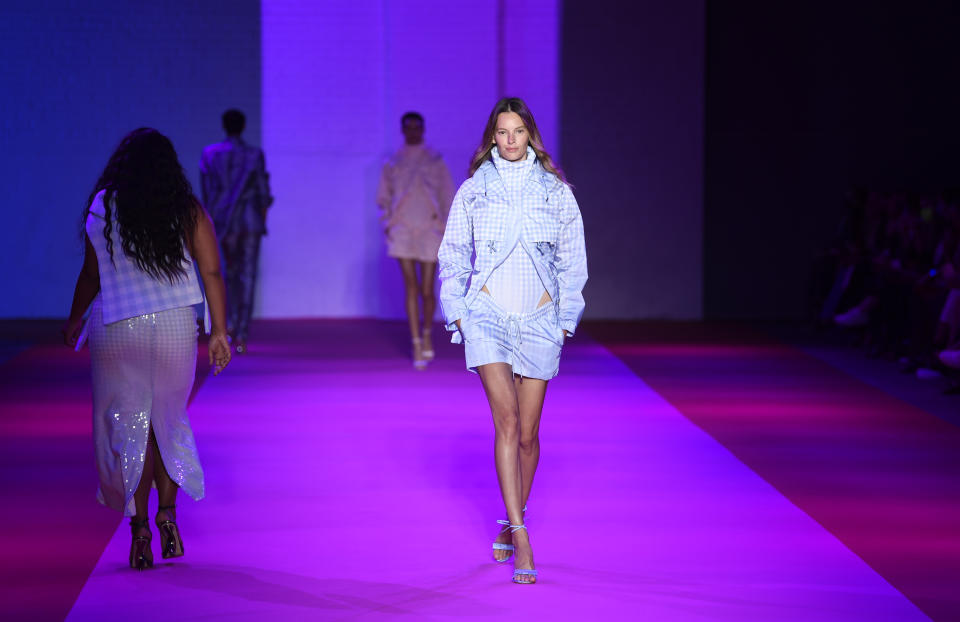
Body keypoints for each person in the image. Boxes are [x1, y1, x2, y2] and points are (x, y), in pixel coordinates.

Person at [63, 128, 231, 570]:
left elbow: (91, 276)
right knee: (167, 422)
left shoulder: (104, 206)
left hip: (118, 327)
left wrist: (74, 317)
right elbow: (211, 271)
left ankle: (139, 533)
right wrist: (219, 332)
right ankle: (168, 519)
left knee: (130, 426)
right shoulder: (185, 208)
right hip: (175, 325)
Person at [437, 97, 588, 584]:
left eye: (518, 131)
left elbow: (572, 258)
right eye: (502, 132)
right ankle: (521, 533)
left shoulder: (556, 192)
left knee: (528, 433)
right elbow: (455, 253)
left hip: (541, 318)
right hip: (488, 316)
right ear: (492, 138)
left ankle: (509, 514)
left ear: (530, 136)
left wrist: (566, 318)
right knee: (506, 421)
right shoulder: (474, 191)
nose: (510, 140)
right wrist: (458, 311)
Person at [376, 112, 455, 369]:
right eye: (408, 127)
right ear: (402, 130)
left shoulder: (434, 160)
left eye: (417, 127)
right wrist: (387, 222)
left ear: (423, 129)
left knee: (427, 288)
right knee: (411, 286)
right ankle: (416, 342)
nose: (412, 131)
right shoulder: (393, 162)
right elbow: (382, 196)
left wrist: (445, 225)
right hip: (403, 228)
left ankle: (428, 334)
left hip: (430, 227)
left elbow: (447, 193)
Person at [200, 109, 273, 353]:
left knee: (227, 273)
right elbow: (263, 193)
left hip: (222, 222)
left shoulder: (210, 154)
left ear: (224, 125)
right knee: (248, 275)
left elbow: (207, 192)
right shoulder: (254, 154)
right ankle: (241, 333)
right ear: (243, 126)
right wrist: (262, 219)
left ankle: (229, 326)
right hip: (250, 222)